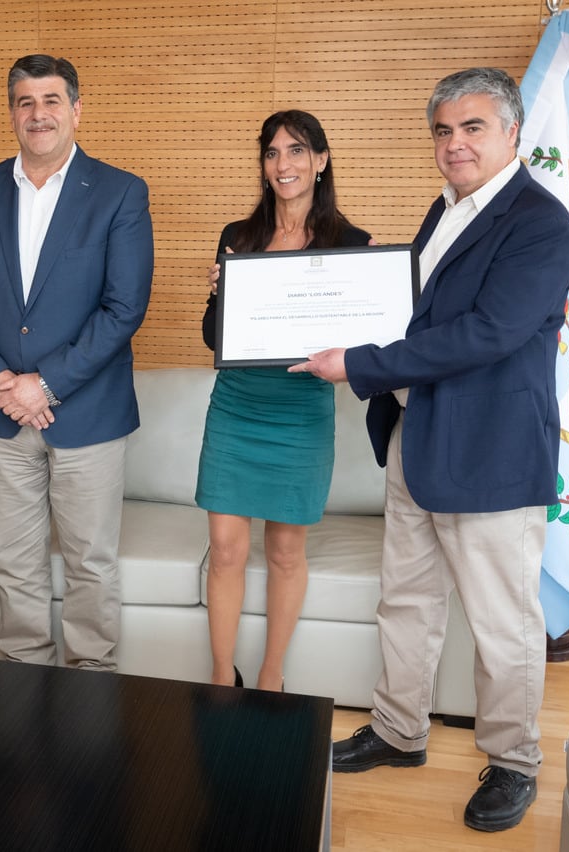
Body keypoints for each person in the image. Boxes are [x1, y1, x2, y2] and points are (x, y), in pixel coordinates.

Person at [292, 67, 569, 832]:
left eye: (473, 127)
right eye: (444, 131)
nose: (455, 144)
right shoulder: (446, 207)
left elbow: (487, 333)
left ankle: (515, 760)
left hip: (487, 450)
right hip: (417, 437)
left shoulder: (539, 223)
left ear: (513, 132)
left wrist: (359, 362)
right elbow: (410, 312)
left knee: (501, 622)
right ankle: (398, 729)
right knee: (408, 601)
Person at [0, 54, 153, 670]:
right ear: (11, 113)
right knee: (13, 558)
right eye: (25, 102)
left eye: (52, 100)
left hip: (85, 413)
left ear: (76, 110)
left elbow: (123, 307)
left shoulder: (119, 192)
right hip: (1, 411)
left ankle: (90, 684)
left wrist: (46, 384)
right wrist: (3, 380)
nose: (39, 114)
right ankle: (25, 676)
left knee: (89, 561)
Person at [198, 110, 372, 692]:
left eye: (296, 151)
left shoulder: (352, 245)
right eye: (272, 153)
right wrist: (222, 299)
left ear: (321, 161)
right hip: (238, 406)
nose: (283, 165)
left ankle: (271, 678)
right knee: (224, 549)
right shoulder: (238, 237)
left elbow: (366, 342)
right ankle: (224, 677)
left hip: (301, 412)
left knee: (285, 552)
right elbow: (212, 339)